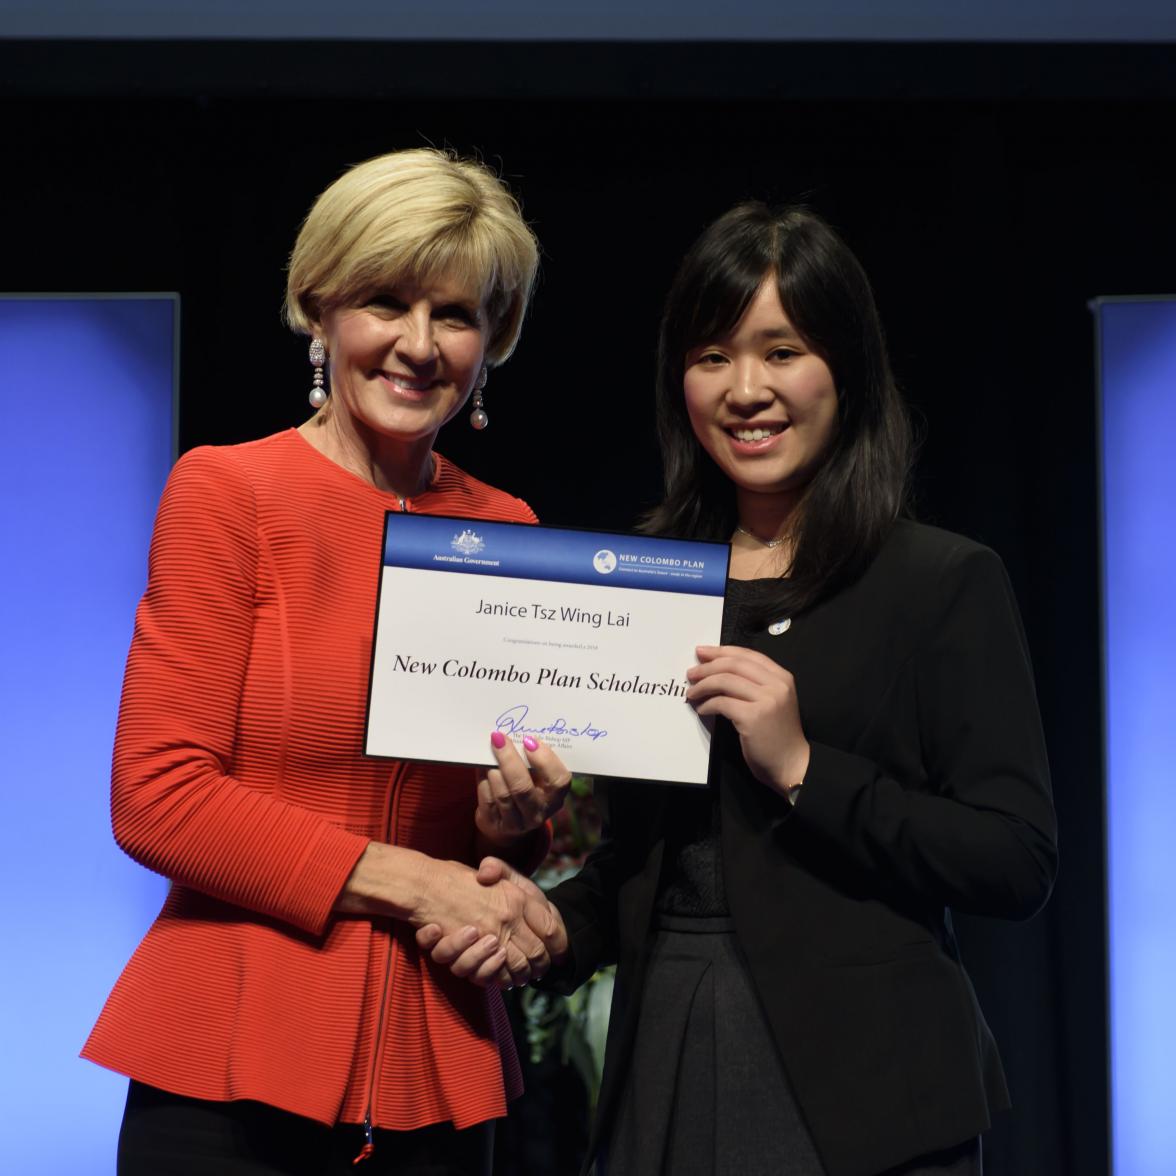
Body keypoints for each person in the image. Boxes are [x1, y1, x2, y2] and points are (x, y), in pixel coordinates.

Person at [421, 202, 1059, 1176]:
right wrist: (547, 925)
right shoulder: (647, 581)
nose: (747, 388)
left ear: (845, 368)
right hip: (671, 1039)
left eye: (782, 350)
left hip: (870, 1088)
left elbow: (1016, 859)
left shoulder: (939, 581)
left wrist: (805, 769)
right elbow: (643, 862)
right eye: (713, 355)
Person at [83, 148, 570, 1176]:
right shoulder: (229, 494)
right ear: (320, 311)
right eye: (385, 301)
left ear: (495, 342)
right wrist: (421, 887)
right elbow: (158, 795)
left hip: (436, 1073)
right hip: (228, 1061)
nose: (418, 344)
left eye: (456, 314)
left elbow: (496, 842)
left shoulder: (511, 531)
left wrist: (510, 827)